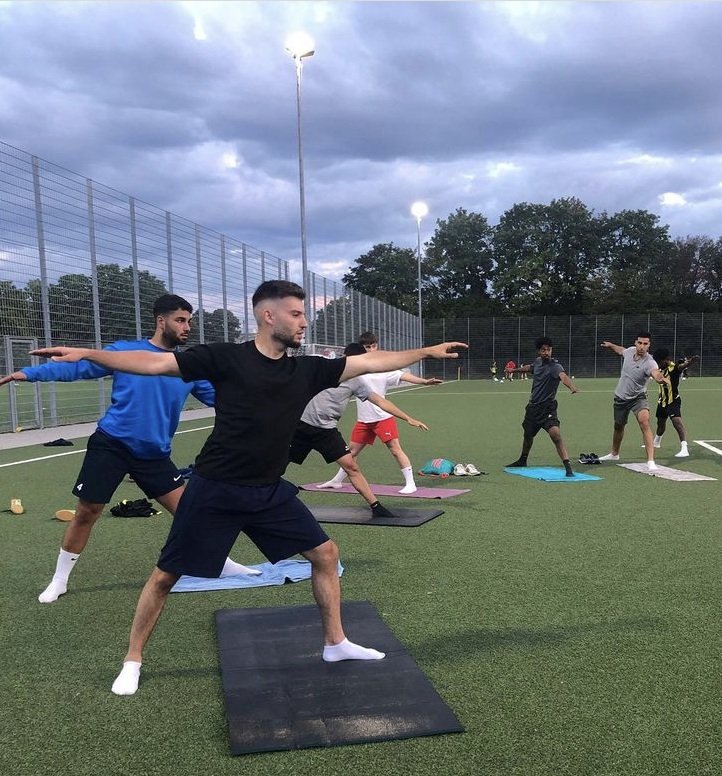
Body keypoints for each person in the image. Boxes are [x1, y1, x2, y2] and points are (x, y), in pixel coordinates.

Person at [32, 280, 466, 696]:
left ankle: (335, 643)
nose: (302, 322)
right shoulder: (226, 358)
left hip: (267, 490)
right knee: (165, 576)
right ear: (267, 314)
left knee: (326, 554)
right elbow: (155, 363)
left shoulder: (308, 370)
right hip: (214, 489)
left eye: (303, 314)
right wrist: (88, 353)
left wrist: (426, 351)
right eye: (296, 314)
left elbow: (370, 362)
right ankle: (133, 660)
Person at [0, 294, 257, 604]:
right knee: (87, 513)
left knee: (191, 512)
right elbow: (77, 368)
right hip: (112, 445)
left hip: (154, 454)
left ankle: (220, 563)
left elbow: (224, 400)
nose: (187, 327)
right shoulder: (124, 352)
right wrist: (26, 374)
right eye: (180, 320)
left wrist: (265, 404)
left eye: (189, 321)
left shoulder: (187, 366)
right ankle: (59, 580)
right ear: (161, 321)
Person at [290, 342, 429, 517]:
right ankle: (267, 491)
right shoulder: (323, 368)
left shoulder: (356, 381)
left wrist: (408, 418)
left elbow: (380, 401)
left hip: (326, 431)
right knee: (279, 463)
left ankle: (376, 507)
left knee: (352, 467)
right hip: (300, 426)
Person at [318, 331, 442, 494]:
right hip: (363, 420)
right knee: (351, 452)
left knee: (395, 450)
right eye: (367, 347)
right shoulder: (355, 369)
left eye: (373, 345)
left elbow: (403, 376)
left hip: (382, 417)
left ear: (377, 346)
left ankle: (411, 483)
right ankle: (336, 481)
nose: (371, 349)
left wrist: (424, 381)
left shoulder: (382, 368)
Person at [506, 337, 578, 477]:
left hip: (548, 408)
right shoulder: (538, 362)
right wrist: (514, 370)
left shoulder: (556, 367)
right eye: (544, 350)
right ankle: (523, 460)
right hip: (533, 408)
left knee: (555, 434)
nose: (547, 352)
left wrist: (572, 387)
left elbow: (563, 377)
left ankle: (568, 467)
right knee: (528, 435)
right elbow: (530, 368)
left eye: (549, 349)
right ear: (539, 351)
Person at [598, 332, 670, 471]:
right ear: (636, 343)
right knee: (618, 426)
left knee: (645, 422)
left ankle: (651, 461)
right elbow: (621, 351)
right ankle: (614, 454)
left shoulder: (650, 362)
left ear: (649, 345)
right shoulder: (630, 351)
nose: (642, 346)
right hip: (621, 397)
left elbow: (655, 373)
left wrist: (660, 378)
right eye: (640, 343)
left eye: (645, 344)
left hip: (638, 398)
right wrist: (611, 345)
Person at [651, 349, 699, 458]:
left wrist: (691, 361)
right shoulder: (658, 368)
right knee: (660, 424)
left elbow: (682, 366)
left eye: (659, 361)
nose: (657, 363)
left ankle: (684, 448)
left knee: (677, 422)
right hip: (662, 401)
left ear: (665, 360)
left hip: (673, 401)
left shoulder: (674, 368)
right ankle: (656, 442)